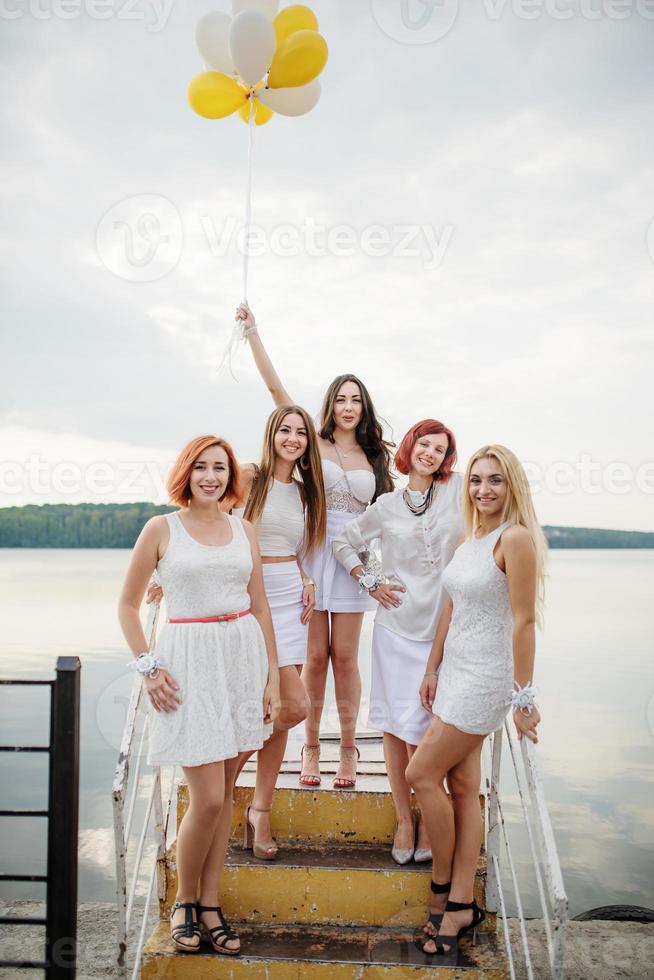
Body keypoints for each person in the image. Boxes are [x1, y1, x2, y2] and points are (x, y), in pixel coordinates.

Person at [118, 435, 280, 957]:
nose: (210, 476)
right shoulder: (161, 528)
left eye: (220, 468)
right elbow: (126, 605)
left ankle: (211, 904)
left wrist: (272, 677)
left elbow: (259, 607)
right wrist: (147, 668)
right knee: (207, 797)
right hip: (187, 662)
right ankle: (185, 901)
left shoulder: (243, 528)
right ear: (186, 473)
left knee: (224, 794)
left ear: (230, 476)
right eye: (201, 467)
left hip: (241, 657)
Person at [236, 302, 394, 789]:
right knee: (314, 658)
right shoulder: (313, 442)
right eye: (341, 398)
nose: (348, 406)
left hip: (354, 561)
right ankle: (309, 746)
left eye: (356, 400)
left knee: (345, 656)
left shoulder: (374, 455)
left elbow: (395, 512)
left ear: (364, 408)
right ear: (331, 404)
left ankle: (347, 749)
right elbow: (276, 391)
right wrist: (252, 334)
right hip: (312, 554)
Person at [406, 444, 546, 956]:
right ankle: (463, 901)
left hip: (487, 678)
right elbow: (451, 607)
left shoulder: (516, 539)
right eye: (477, 480)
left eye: (496, 480)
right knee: (463, 787)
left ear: (513, 487)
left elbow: (524, 620)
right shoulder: (471, 540)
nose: (484, 489)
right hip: (455, 672)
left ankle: (442, 885)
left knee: (419, 775)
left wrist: (524, 697)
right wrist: (432, 667)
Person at [333, 420, 462, 865]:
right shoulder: (386, 505)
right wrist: (370, 582)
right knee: (392, 725)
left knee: (425, 724)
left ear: (448, 459)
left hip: (442, 629)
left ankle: (429, 813)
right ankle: (405, 818)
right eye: (424, 444)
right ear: (410, 447)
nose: (430, 452)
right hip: (395, 627)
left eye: (441, 449)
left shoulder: (457, 493)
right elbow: (343, 542)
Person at [233, 405, 326, 859]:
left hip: (289, 598)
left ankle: (260, 809)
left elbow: (300, 549)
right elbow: (207, 521)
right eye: (284, 430)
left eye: (300, 433)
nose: (292, 438)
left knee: (290, 707)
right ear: (271, 434)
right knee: (265, 704)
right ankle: (221, 787)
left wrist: (308, 579)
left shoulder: (307, 492)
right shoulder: (249, 477)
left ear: (308, 441)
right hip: (249, 597)